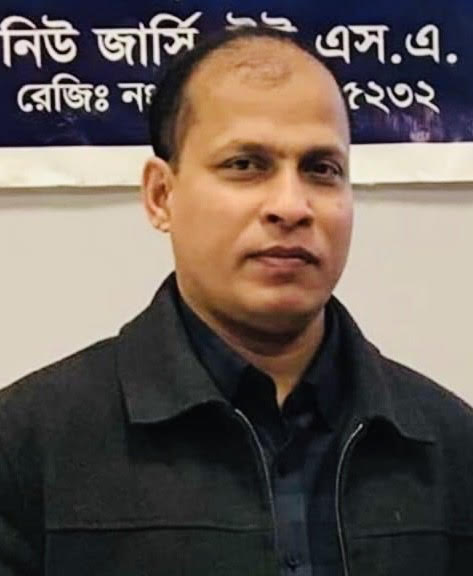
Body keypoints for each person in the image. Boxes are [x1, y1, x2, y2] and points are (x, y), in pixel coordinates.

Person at [1, 27, 472, 576]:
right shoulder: (27, 446)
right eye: (246, 165)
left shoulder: (449, 446)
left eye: (321, 169)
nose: (291, 206)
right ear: (161, 195)